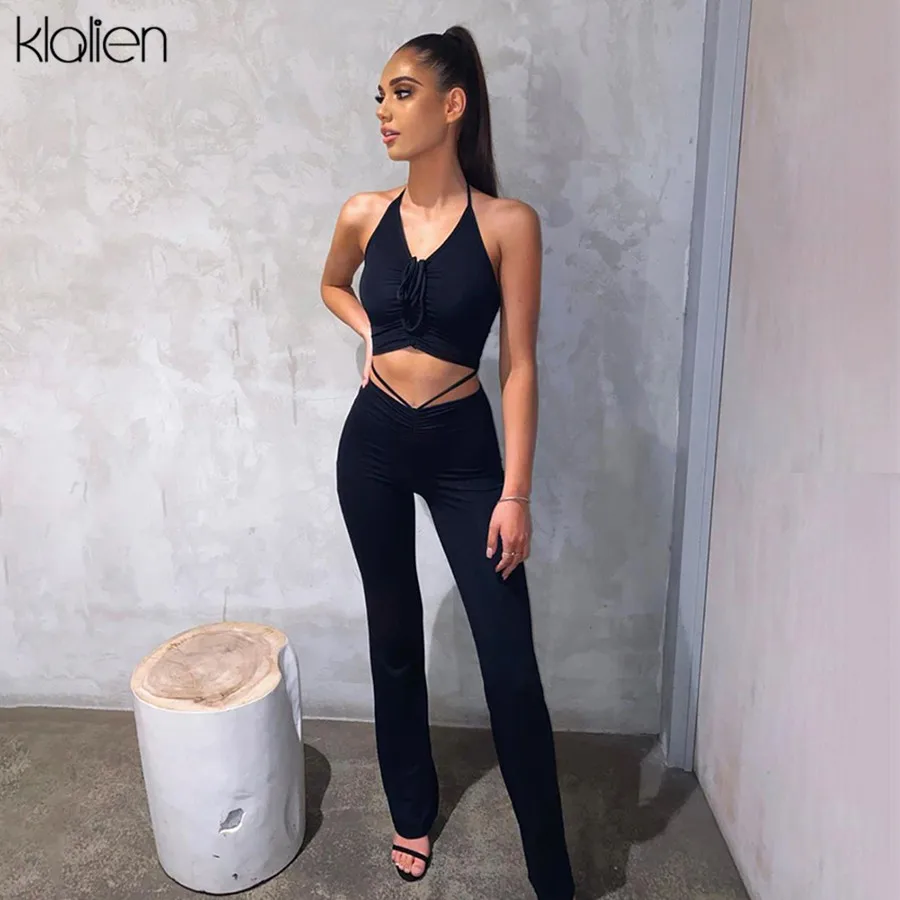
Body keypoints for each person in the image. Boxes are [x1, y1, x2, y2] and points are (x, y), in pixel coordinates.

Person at [319, 25, 576, 900]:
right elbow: (332, 284)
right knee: (393, 640)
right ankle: (411, 810)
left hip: (466, 454)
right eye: (380, 97)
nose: (384, 111)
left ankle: (552, 872)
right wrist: (370, 334)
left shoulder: (509, 224)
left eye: (401, 92)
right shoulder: (364, 212)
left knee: (510, 666)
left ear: (453, 104)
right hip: (373, 446)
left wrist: (517, 493)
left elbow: (520, 364)